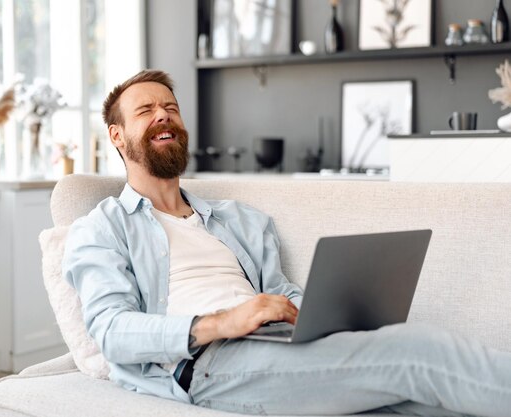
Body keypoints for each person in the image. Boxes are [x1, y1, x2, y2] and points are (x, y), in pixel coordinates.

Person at [63, 70, 511, 417]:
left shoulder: (240, 220)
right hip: (207, 362)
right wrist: (223, 321)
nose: (164, 115)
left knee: (432, 400)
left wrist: (322, 312)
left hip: (278, 344)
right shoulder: (101, 229)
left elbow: (280, 293)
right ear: (117, 137)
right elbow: (112, 331)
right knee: (420, 352)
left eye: (171, 107)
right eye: (146, 111)